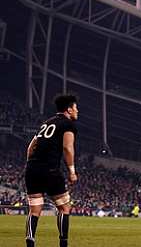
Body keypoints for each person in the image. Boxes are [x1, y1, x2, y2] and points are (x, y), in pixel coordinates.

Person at [23, 94, 79, 247]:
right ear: (68, 109)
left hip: (32, 169)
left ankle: (30, 239)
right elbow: (67, 147)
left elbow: (30, 148)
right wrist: (72, 171)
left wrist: (32, 165)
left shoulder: (46, 123)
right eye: (75, 108)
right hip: (50, 170)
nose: (77, 111)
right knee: (64, 207)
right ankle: (63, 242)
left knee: (34, 210)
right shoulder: (68, 125)